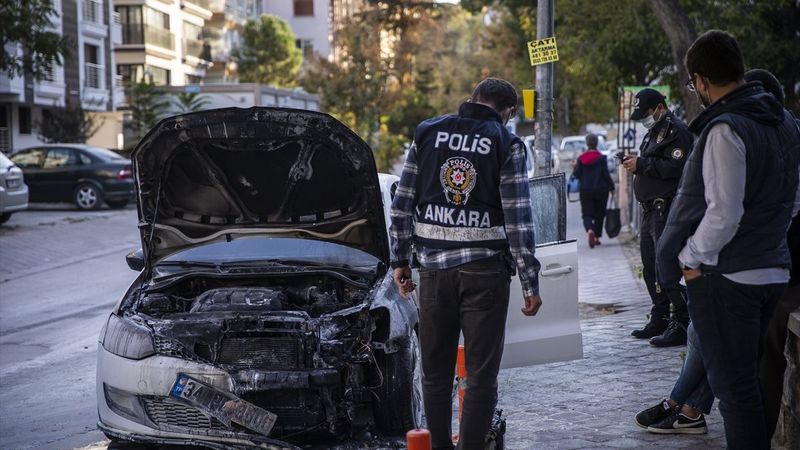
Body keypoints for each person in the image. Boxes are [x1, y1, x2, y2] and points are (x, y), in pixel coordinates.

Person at [634, 67, 800, 439]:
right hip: (766, 263)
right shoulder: (778, 132)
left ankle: (680, 405)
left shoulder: (737, 130)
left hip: (758, 268)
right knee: (722, 359)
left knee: (737, 379)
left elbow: (724, 211)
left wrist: (690, 258)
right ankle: (686, 407)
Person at [389, 77, 542, 450]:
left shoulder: (427, 134)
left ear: (472, 99)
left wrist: (400, 259)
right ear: (507, 112)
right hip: (485, 275)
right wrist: (530, 281)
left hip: (434, 274)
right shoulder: (506, 143)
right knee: (480, 377)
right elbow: (518, 219)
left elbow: (403, 202)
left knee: (435, 374)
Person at [744, 68, 800, 440]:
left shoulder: (766, 136)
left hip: (780, 267)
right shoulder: (789, 129)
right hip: (777, 264)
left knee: (764, 356)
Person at [624, 88, 692, 347]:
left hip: (666, 210)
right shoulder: (654, 132)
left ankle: (682, 320)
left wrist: (641, 165)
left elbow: (676, 168)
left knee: (667, 269)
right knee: (650, 268)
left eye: (646, 113)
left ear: (660, 108)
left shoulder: (677, 132)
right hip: (649, 210)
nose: (644, 119)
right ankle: (660, 315)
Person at [572, 133, 615, 248]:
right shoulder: (601, 158)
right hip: (601, 190)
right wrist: (612, 187)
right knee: (599, 214)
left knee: (587, 214)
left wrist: (574, 167)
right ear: (596, 143)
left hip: (586, 190)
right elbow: (606, 174)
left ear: (587, 144)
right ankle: (596, 237)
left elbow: (576, 175)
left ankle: (589, 230)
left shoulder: (581, 159)